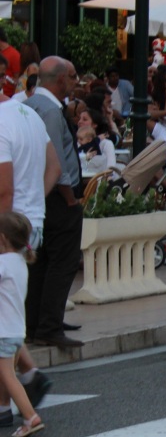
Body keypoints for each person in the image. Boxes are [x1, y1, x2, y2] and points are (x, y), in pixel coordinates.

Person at [0, 98, 58, 423]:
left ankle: (17, 393)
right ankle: (27, 378)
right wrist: (34, 202)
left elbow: (4, 190)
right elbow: (55, 167)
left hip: (8, 228)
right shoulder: (29, 116)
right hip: (30, 223)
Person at [25, 57, 83, 349]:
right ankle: (48, 325)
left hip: (38, 195)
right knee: (62, 262)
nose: (75, 83)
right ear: (60, 80)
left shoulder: (29, 105)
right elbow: (57, 162)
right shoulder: (49, 110)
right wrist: (70, 197)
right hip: (57, 198)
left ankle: (37, 323)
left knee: (42, 262)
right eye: (72, 77)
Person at [0, 212, 43, 437]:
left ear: (2, 238)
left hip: (3, 332)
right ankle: (2, 409)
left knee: (7, 375)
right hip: (17, 331)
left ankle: (30, 416)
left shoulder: (3, 263)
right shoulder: (20, 262)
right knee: (4, 373)